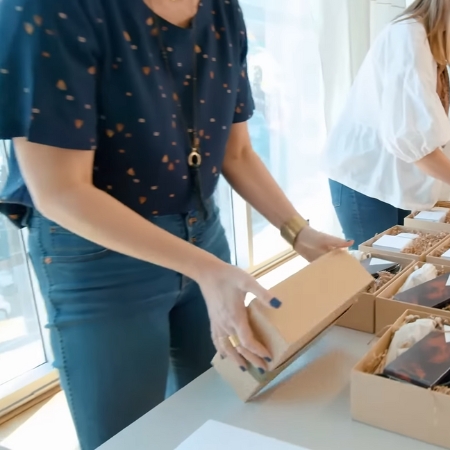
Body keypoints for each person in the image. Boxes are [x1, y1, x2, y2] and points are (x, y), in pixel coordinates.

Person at [0, 0, 350, 448]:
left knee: (220, 407)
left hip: (203, 231)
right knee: (130, 436)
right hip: (99, 255)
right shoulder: (52, 10)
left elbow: (235, 151)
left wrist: (297, 231)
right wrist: (206, 268)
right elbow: (60, 192)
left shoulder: (223, 10)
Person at [325, 0, 450, 248]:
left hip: (391, 176)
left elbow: (417, 121)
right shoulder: (408, 38)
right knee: (378, 275)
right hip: (367, 180)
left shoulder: (424, 39)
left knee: (399, 268)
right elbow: (411, 140)